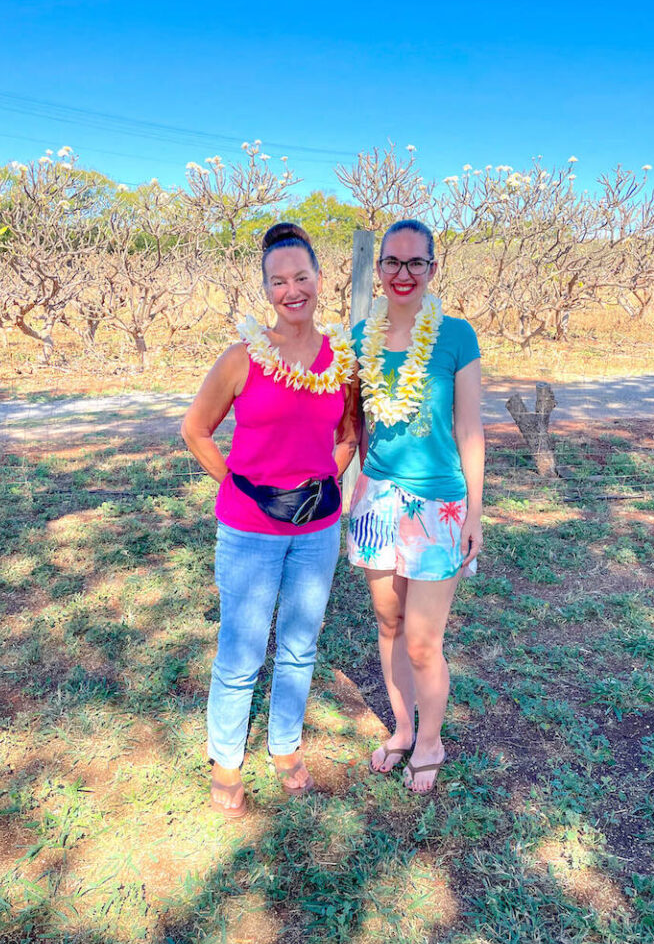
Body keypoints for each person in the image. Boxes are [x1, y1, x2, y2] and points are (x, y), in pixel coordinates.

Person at [181, 223, 359, 818]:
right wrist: (239, 485)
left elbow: (348, 431)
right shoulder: (241, 360)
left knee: (300, 644)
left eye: (301, 277)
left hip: (317, 528)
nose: (292, 290)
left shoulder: (342, 362)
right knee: (242, 648)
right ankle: (227, 759)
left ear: (319, 279)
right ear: (267, 289)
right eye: (278, 280)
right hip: (250, 528)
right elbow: (196, 430)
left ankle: (284, 745)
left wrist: (328, 478)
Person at [346, 219, 484, 794]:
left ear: (433, 268)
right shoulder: (358, 337)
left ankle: (431, 741)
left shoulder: (456, 335)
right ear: (377, 269)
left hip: (440, 504)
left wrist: (475, 512)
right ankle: (403, 730)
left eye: (415, 263)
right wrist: (351, 478)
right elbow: (352, 419)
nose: (403, 274)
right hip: (378, 498)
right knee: (388, 622)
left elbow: (470, 428)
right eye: (392, 263)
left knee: (425, 640)